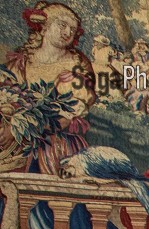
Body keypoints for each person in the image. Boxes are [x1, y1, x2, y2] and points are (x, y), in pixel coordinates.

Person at [2, 2, 95, 173]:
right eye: (62, 25)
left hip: (57, 143)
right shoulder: (21, 62)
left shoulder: (77, 65)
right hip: (16, 141)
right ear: (44, 27)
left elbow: (73, 112)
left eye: (72, 30)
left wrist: (28, 129)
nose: (67, 32)